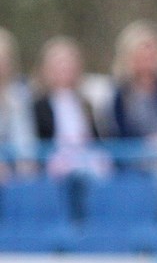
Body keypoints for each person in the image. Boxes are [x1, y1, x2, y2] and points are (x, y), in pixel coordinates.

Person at [31, 36, 112, 182]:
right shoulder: (39, 105)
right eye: (59, 64)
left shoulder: (85, 103)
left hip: (88, 163)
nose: (65, 69)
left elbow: (95, 139)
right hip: (54, 165)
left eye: (68, 64)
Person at [0, 27, 38, 181]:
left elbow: (24, 139)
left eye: (4, 59)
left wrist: (25, 163)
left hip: (13, 174)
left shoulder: (19, 96)